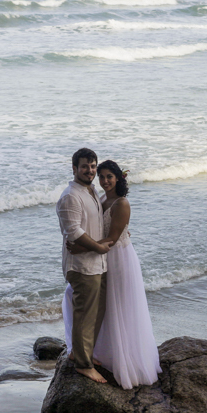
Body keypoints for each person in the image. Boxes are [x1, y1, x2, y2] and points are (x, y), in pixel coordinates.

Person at [64, 160, 161, 389]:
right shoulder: (100, 197)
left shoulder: (122, 203)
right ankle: (88, 351)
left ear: (118, 178)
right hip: (101, 256)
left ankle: (123, 359)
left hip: (119, 258)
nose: (105, 181)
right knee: (84, 301)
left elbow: (113, 238)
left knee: (119, 307)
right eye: (102, 176)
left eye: (109, 177)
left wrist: (80, 248)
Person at [56, 148, 110, 383]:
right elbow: (74, 231)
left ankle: (81, 352)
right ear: (74, 168)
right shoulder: (71, 196)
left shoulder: (91, 190)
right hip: (81, 266)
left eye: (93, 166)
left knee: (95, 311)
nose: (90, 170)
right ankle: (83, 364)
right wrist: (97, 248)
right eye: (85, 166)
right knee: (85, 314)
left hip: (97, 263)